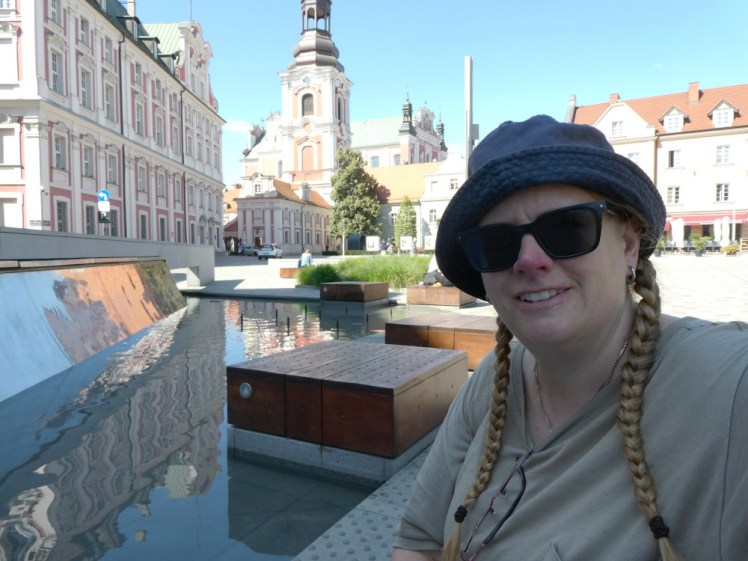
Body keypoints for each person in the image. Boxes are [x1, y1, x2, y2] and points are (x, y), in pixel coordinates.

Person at [391, 115, 748, 561]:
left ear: (628, 246)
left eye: (568, 228)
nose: (529, 259)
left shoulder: (726, 383)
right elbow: (418, 540)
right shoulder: (489, 382)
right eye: (497, 243)